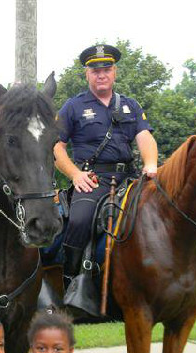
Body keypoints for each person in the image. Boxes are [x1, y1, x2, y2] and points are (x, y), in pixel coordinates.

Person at [53, 44, 158, 281]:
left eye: (107, 69)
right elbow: (56, 146)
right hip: (92, 179)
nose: (102, 74)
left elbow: (144, 137)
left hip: (130, 178)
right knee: (79, 220)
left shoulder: (130, 105)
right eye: (95, 70)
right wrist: (75, 175)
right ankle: (70, 280)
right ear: (87, 74)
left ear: (115, 72)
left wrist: (151, 164)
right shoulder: (73, 106)